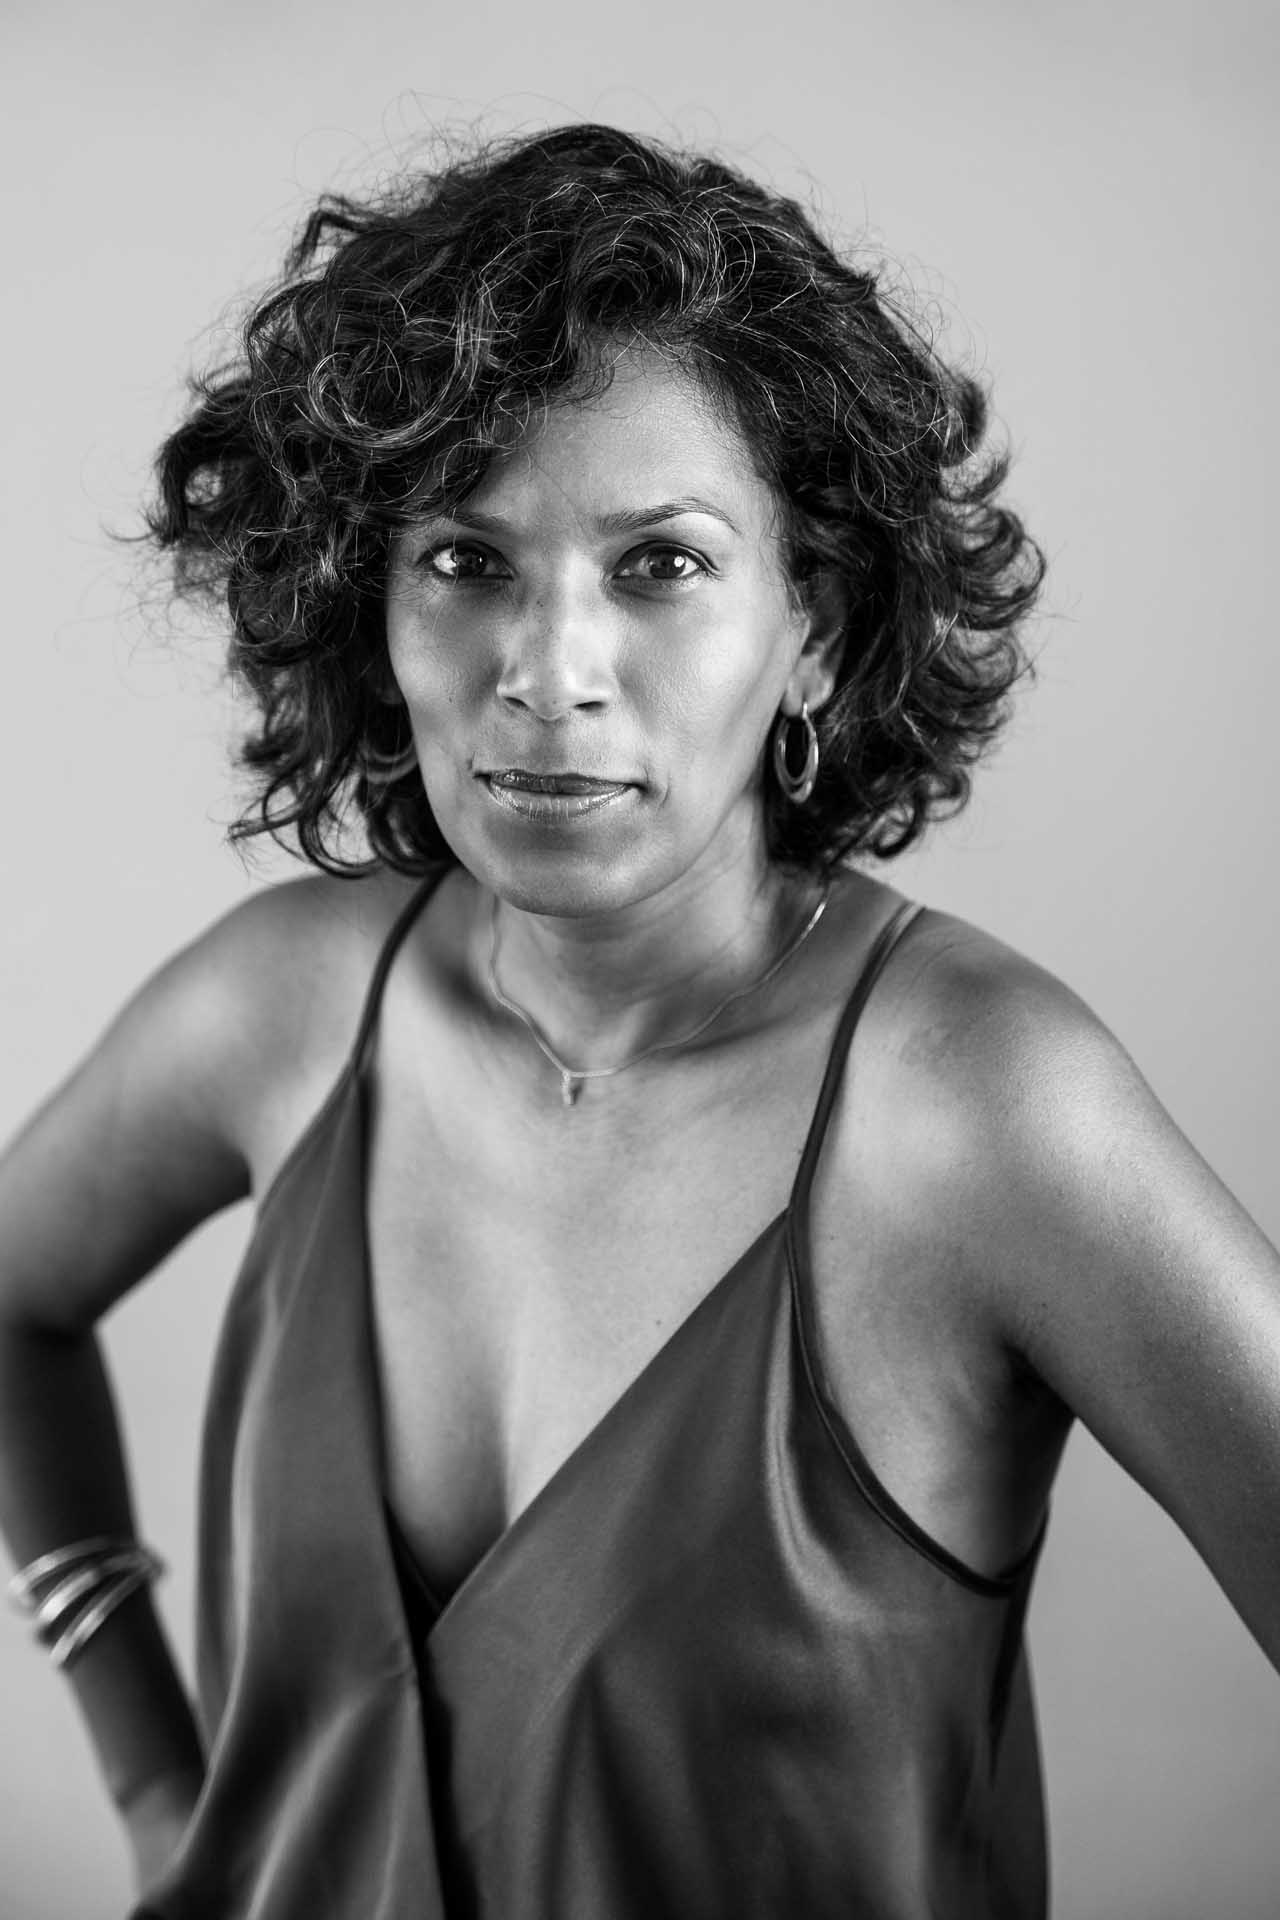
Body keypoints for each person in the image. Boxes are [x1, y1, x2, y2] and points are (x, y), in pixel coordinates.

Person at [0, 120, 1276, 1920]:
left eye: (660, 564)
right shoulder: (290, 1005)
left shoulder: (973, 1109)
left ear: (814, 624)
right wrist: (154, 1793)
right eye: (466, 559)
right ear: (371, 599)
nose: (548, 671)